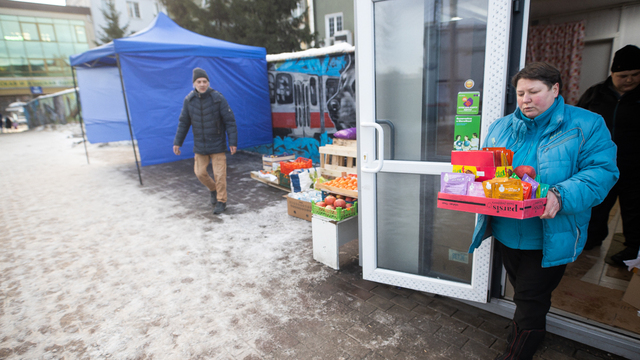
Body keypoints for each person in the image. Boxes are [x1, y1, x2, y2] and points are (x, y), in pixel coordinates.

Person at [468, 62, 618, 360]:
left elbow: (603, 172)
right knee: (523, 293)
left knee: (530, 298)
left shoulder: (586, 124)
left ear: (555, 89)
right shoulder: (500, 127)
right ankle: (525, 330)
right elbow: (486, 171)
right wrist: (469, 183)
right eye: (521, 92)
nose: (525, 99)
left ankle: (518, 353)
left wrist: (561, 195)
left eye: (534, 92)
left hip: (549, 233)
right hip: (507, 230)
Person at [577, 45, 640, 266]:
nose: (630, 80)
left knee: (633, 208)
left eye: (635, 75)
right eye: (624, 75)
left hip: (634, 163)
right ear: (612, 73)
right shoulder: (595, 94)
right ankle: (591, 239)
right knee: (598, 203)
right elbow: (578, 125)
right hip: (599, 163)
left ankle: (633, 248)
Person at [173, 67, 238, 215]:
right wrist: (178, 142)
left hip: (217, 144)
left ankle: (221, 201)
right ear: (194, 83)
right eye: (199, 81)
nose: (202, 84)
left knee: (220, 175)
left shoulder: (218, 98)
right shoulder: (189, 100)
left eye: (204, 81)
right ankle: (213, 189)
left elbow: (230, 121)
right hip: (200, 145)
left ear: (208, 83)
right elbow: (184, 122)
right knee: (200, 173)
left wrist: (232, 142)